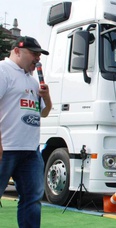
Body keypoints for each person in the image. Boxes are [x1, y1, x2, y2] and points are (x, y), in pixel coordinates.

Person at [0, 36, 52, 228]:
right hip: (6, 148)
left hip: (30, 151)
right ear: (17, 51)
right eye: (34, 53)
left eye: (39, 55)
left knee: (32, 199)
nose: (37, 58)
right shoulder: (3, 71)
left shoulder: (32, 81)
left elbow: (44, 113)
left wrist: (47, 97)